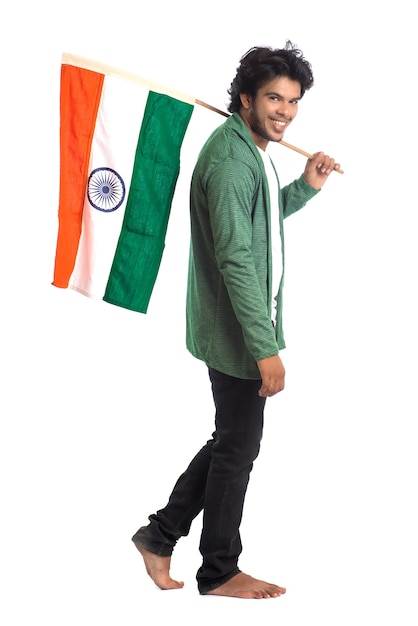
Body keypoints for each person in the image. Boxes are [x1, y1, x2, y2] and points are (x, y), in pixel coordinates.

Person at [131, 41, 340, 599]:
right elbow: (236, 258)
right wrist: (264, 346)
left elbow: (259, 218)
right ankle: (219, 569)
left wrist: (305, 188)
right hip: (237, 332)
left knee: (234, 440)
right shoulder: (229, 159)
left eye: (293, 101)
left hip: (239, 327)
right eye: (274, 98)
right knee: (238, 447)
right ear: (245, 98)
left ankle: (159, 534)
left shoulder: (249, 151)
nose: (285, 111)